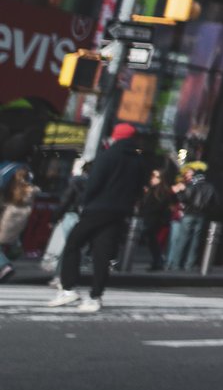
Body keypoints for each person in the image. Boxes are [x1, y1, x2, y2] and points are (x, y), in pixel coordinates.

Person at [46, 127, 151, 312]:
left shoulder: (107, 155)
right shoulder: (139, 160)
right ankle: (95, 296)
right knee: (102, 254)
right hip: (120, 211)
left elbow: (94, 182)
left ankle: (69, 288)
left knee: (73, 243)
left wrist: (85, 202)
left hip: (98, 207)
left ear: (116, 137)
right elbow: (141, 186)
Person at [0, 159, 32, 279]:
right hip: (16, 216)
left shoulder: (4, 170)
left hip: (5, 214)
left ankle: (4, 266)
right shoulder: (26, 181)